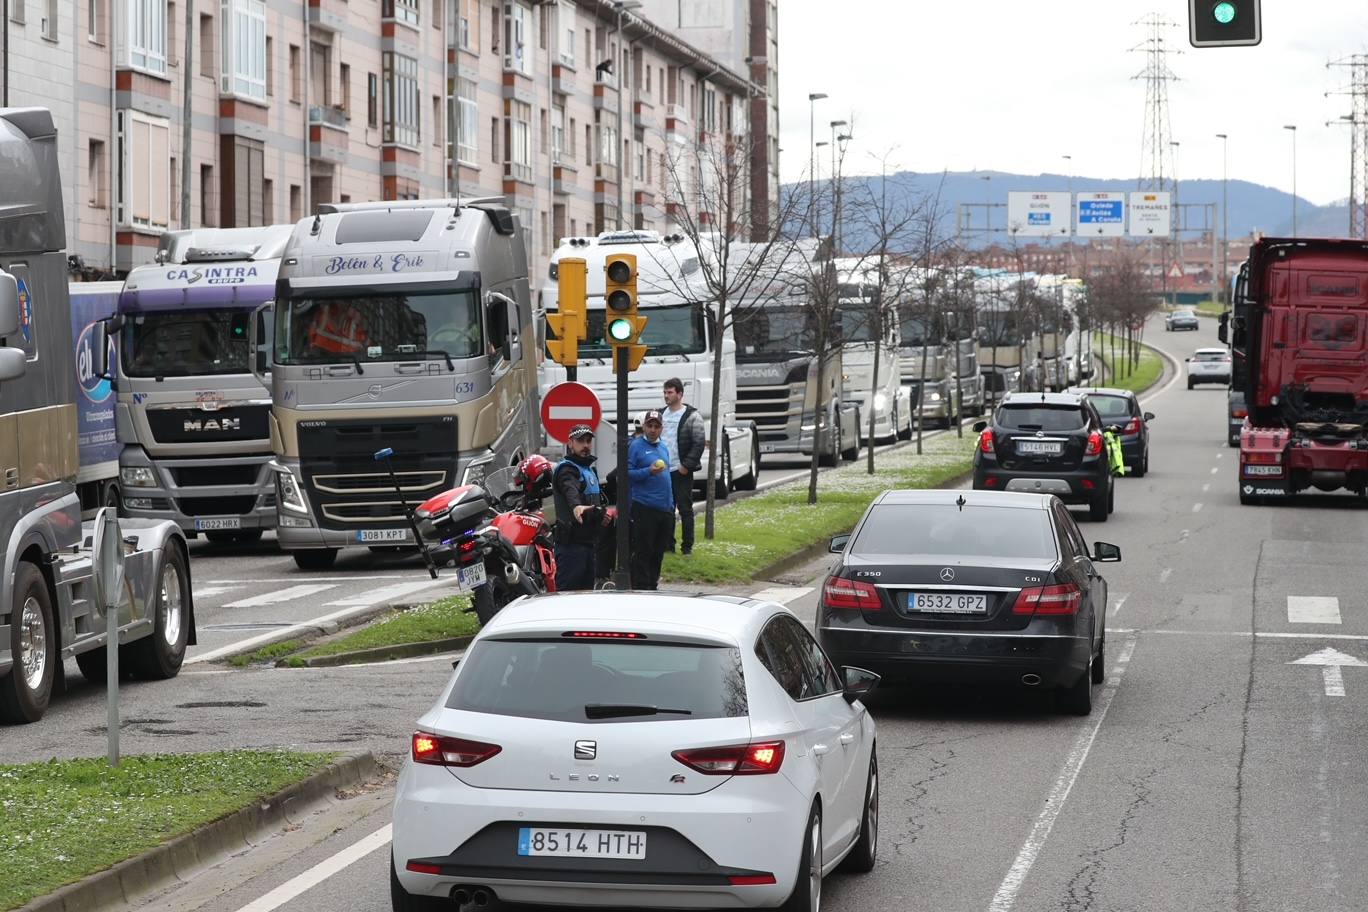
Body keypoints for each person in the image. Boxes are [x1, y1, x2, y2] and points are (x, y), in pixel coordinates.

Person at [552, 425, 611, 591]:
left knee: (585, 599)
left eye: (588, 440)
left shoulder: (590, 470)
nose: (585, 445)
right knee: (567, 599)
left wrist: (602, 516)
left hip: (589, 544)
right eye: (580, 441)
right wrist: (576, 506)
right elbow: (571, 490)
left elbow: (594, 505)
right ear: (570, 443)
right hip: (571, 546)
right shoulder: (567, 469)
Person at [627, 410, 675, 590]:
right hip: (645, 507)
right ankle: (642, 588)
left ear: (661, 428)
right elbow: (627, 474)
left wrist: (671, 504)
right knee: (643, 552)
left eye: (657, 426)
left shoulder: (663, 447)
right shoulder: (636, 446)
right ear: (644, 426)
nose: (653, 430)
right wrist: (648, 471)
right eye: (650, 426)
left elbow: (667, 478)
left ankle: (652, 585)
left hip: (664, 509)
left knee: (658, 553)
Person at [661, 377, 705, 555]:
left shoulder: (692, 416)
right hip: (662, 471)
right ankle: (667, 546)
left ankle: (687, 548)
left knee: (685, 509)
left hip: (681, 470)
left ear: (680, 394)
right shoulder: (660, 414)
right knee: (666, 510)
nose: (666, 396)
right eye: (664, 392)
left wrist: (686, 466)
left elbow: (698, 443)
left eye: (670, 392)